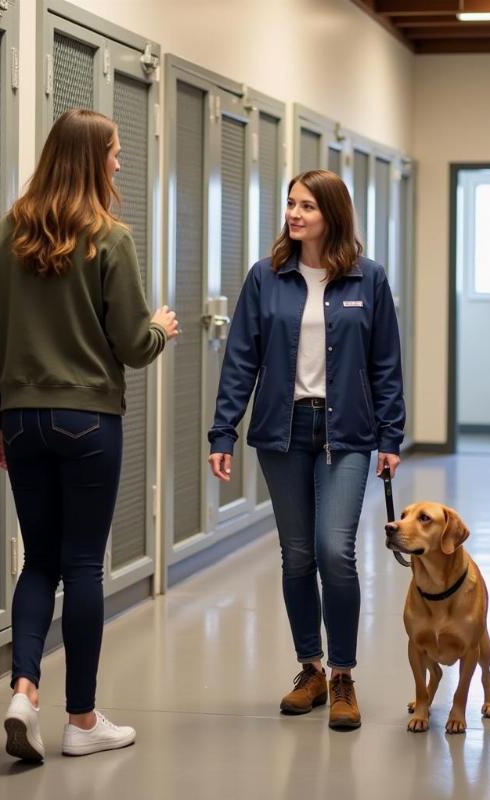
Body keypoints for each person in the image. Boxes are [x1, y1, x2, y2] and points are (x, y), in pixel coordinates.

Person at [0, 108, 178, 761]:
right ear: (93, 159)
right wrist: (161, 330)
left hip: (24, 418)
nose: (119, 162)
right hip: (89, 419)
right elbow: (131, 342)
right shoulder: (110, 238)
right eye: (114, 152)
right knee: (84, 563)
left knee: (39, 560)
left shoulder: (8, 231)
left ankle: (24, 691)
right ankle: (82, 721)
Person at [207, 169, 404, 730]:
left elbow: (385, 364)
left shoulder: (368, 280)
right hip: (283, 431)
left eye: (306, 207)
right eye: (290, 204)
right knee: (297, 555)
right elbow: (241, 359)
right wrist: (223, 431)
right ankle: (310, 670)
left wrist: (392, 436)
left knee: (334, 551)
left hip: (348, 434)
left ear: (332, 215)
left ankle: (344, 675)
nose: (294, 214)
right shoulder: (266, 278)